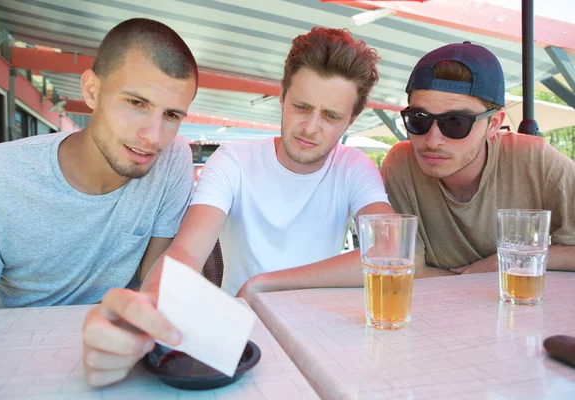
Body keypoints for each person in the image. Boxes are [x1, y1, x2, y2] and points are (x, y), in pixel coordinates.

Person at [82, 27, 395, 387]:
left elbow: (388, 251)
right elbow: (185, 251)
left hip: (324, 332)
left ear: (350, 120)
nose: (310, 128)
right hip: (239, 334)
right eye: (301, 107)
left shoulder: (354, 165)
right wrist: (144, 315)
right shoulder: (234, 159)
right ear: (282, 97)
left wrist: (266, 283)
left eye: (331, 117)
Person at [0, 18, 198, 309]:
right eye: (135, 103)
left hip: (120, 331)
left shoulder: (172, 157)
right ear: (92, 90)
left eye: (171, 115)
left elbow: (153, 281)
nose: (153, 138)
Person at [381, 41, 575, 278]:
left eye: (455, 122)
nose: (432, 140)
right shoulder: (401, 165)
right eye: (418, 119)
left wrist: (505, 261)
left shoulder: (535, 159)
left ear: (493, 124)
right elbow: (409, 269)